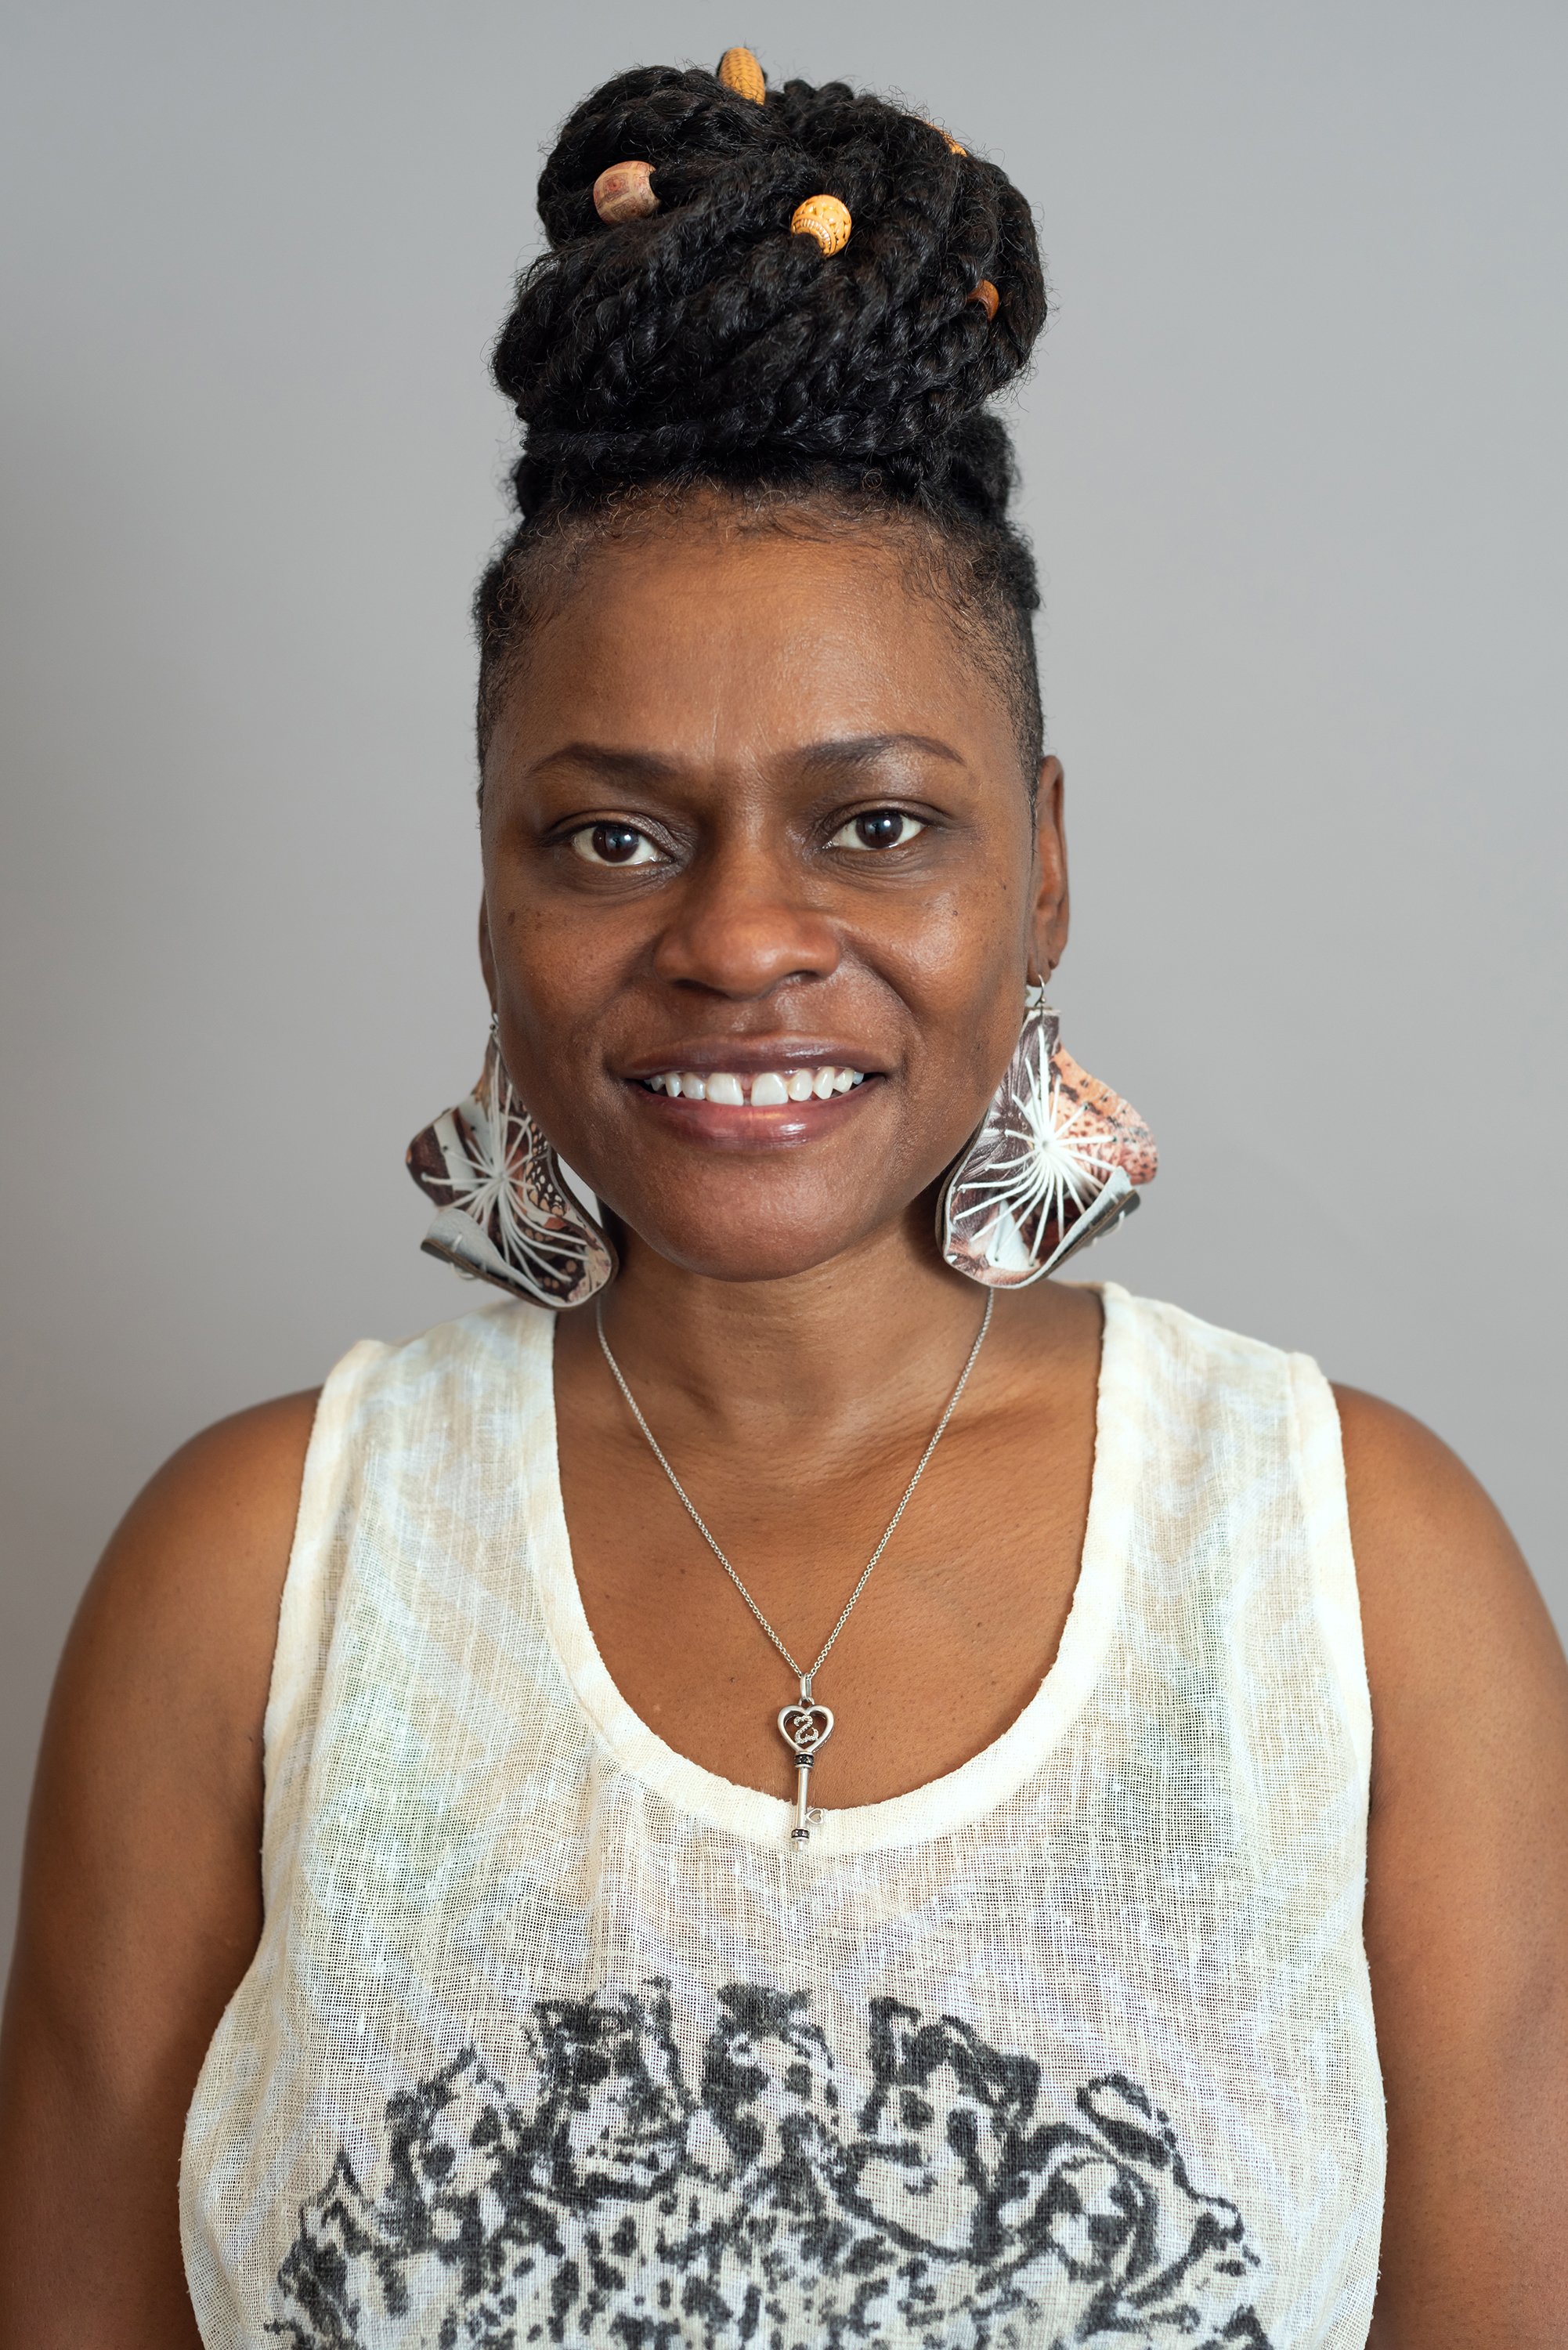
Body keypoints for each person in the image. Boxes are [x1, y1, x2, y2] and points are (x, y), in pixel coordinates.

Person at [1, 49, 1564, 2350]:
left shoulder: (1356, 1579)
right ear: (490, 893)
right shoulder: (251, 1582)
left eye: (875, 823)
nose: (737, 938)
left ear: (1041, 869)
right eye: (609, 833)